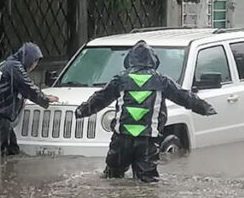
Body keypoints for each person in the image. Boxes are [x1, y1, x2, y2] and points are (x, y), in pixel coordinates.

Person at [74, 40, 217, 182]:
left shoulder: (120, 79)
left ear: (129, 60)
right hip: (148, 141)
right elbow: (184, 97)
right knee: (147, 183)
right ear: (153, 61)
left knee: (111, 178)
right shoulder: (162, 81)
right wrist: (205, 108)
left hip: (121, 139)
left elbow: (100, 98)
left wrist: (82, 111)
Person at [0, 43, 58, 158]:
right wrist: (45, 99)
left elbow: (19, 89)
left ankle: (8, 172)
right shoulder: (14, 66)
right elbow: (28, 87)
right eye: (35, 62)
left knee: (12, 149)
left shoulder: (11, 65)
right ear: (29, 59)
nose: (35, 65)